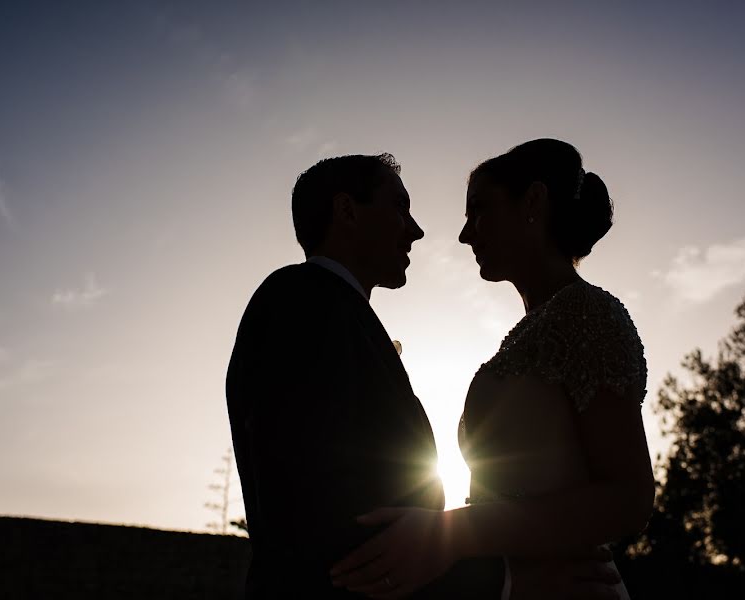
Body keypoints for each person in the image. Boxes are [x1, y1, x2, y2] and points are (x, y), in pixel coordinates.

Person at [227, 152, 623, 599]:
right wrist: (501, 581)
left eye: (479, 210)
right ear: (347, 211)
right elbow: (316, 507)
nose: (417, 230)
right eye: (399, 206)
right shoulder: (299, 301)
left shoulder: (336, 314)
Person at [329, 139, 654, 600]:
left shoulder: (589, 315)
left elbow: (629, 497)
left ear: (534, 202)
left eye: (478, 209)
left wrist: (453, 534)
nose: (465, 234)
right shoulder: (530, 332)